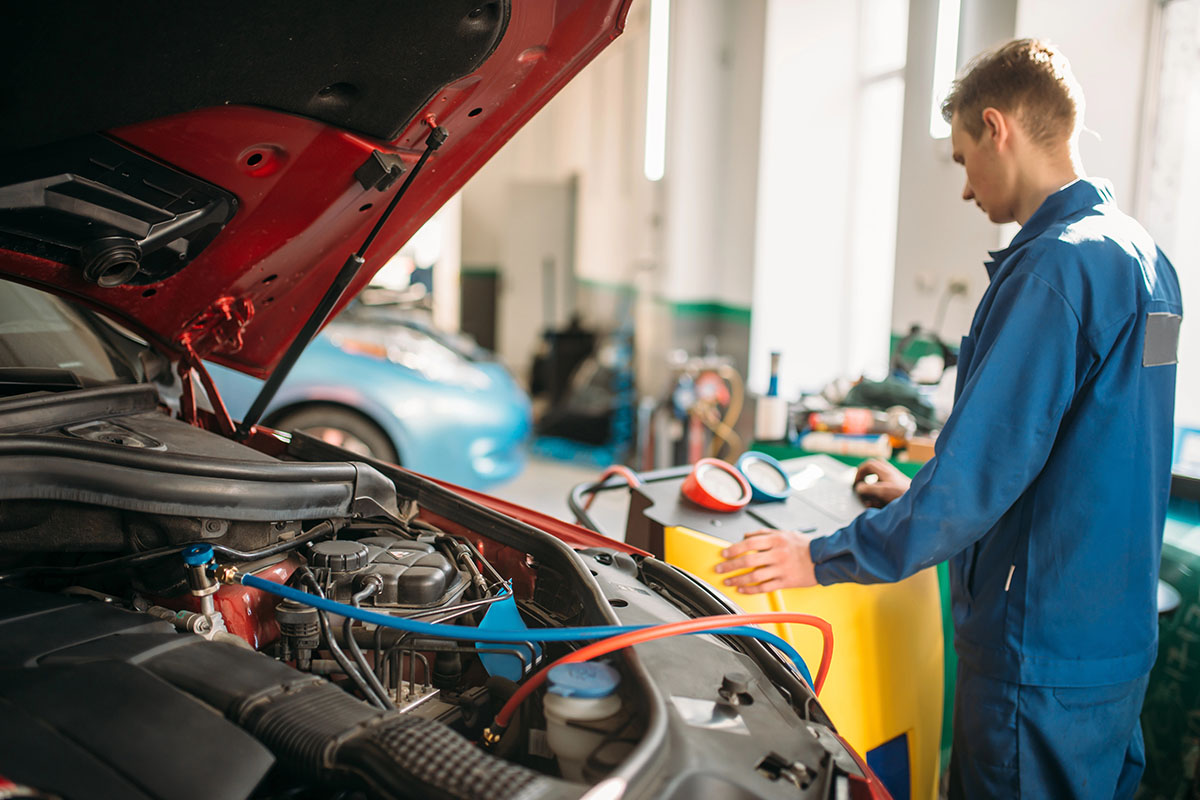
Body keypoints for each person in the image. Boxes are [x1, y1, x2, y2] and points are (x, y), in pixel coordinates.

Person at [715, 39, 1182, 798]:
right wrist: (914, 497)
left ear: (997, 128)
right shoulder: (1147, 259)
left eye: (963, 159)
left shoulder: (1052, 268)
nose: (966, 191)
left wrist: (819, 557)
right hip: (1113, 646)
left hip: (1036, 657)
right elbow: (1082, 448)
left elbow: (977, 478)